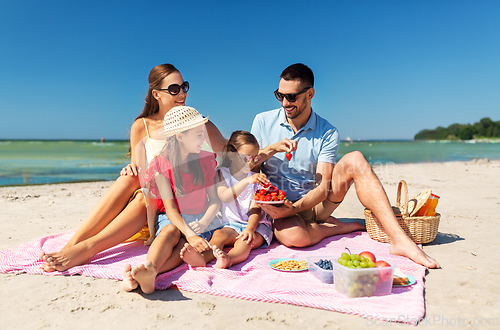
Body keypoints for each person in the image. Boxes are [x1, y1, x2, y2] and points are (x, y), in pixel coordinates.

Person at [251, 63, 440, 268]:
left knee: (355, 159)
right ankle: (339, 228)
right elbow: (244, 169)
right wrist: (270, 150)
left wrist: (294, 209)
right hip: (277, 206)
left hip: (314, 204)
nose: (285, 103)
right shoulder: (262, 121)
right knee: (294, 237)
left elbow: (323, 188)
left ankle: (400, 240)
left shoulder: (327, 131)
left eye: (292, 97)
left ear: (310, 94)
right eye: (280, 96)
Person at [40, 64, 226, 272]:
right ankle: (72, 245)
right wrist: (131, 168)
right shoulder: (142, 125)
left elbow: (232, 152)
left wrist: (263, 152)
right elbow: (142, 171)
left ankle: (88, 248)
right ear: (156, 94)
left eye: (184, 87)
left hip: (179, 205)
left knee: (146, 194)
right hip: (152, 206)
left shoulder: (197, 124)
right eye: (174, 89)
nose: (182, 93)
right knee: (132, 179)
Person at [122, 106, 222, 294]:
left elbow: (215, 201)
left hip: (201, 219)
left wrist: (202, 223)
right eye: (199, 135)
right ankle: (149, 268)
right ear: (180, 136)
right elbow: (170, 209)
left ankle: (150, 273)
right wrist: (189, 234)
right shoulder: (161, 164)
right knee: (169, 231)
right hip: (174, 219)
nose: (204, 139)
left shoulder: (206, 160)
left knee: (184, 250)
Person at [179, 130, 273, 269]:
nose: (251, 162)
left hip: (256, 227)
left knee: (245, 242)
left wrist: (250, 229)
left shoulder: (255, 179)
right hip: (231, 225)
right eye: (246, 157)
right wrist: (247, 181)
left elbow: (256, 209)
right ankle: (202, 258)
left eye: (255, 158)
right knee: (218, 235)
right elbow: (225, 196)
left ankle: (229, 259)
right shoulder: (222, 174)